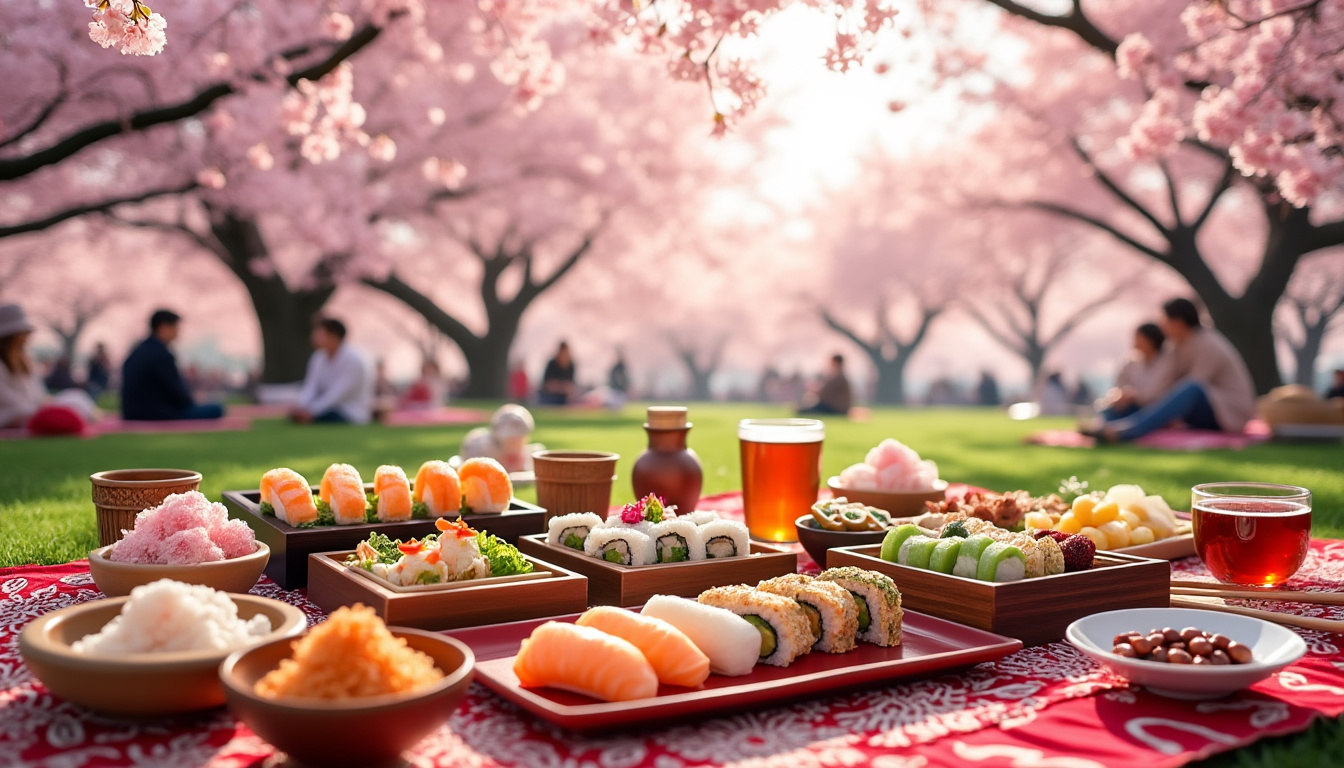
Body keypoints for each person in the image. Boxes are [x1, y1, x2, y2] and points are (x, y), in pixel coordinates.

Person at [1085, 298, 1256, 442]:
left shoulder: (1208, 345)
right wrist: (1134, 397)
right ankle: (1106, 426)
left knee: (1192, 387)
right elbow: (1163, 384)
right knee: (1128, 404)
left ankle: (1128, 431)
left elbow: (1192, 388)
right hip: (1201, 410)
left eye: (1164, 320)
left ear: (1179, 322)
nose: (1162, 326)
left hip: (1228, 412)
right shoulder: (1175, 347)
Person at [0, 304, 100, 433]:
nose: (26, 337)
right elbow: (12, 405)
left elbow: (38, 396)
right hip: (13, 418)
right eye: (22, 333)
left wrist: (48, 405)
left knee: (76, 398)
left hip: (32, 413)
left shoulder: (25, 362)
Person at [121, 310, 223, 421]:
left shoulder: (139, 350)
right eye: (175, 327)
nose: (178, 332)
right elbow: (177, 393)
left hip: (131, 413)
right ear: (163, 327)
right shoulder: (161, 354)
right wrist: (192, 401)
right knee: (216, 408)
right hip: (156, 413)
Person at [291, 317, 373, 424]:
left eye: (319, 333)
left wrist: (312, 411)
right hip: (323, 407)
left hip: (349, 412)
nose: (313, 336)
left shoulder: (354, 360)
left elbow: (337, 394)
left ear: (333, 336)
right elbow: (310, 387)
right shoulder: (318, 357)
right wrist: (302, 406)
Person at [538, 341, 576, 406]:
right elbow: (548, 385)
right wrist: (561, 387)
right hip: (550, 397)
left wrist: (558, 386)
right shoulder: (552, 364)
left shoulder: (571, 365)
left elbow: (570, 386)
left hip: (565, 398)